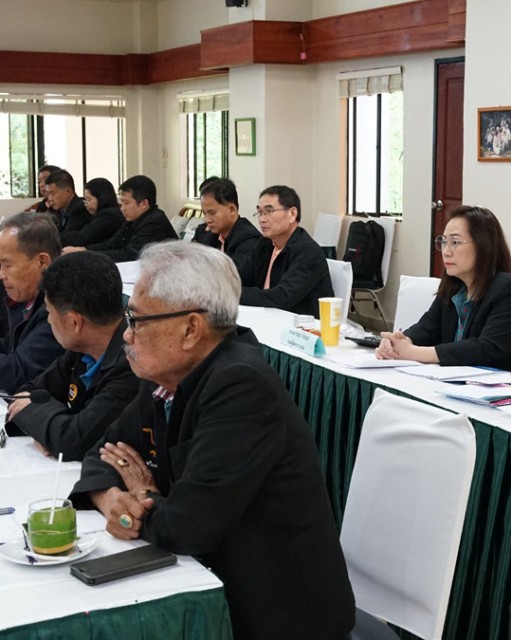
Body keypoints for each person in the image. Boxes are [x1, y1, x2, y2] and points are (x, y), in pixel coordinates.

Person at [69, 242, 355, 640]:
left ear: (190, 329)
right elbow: (100, 452)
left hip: (276, 615)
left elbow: (186, 528)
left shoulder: (241, 386)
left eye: (136, 321)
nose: (127, 336)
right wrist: (112, 499)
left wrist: (144, 493)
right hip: (212, 582)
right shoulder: (166, 374)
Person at [376, 205, 511, 378]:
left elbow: (487, 349)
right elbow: (426, 329)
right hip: (468, 384)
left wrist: (413, 352)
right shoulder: (454, 288)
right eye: (443, 242)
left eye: (455, 242)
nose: (446, 251)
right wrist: (398, 342)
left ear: (483, 245)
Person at [5, 252, 139, 460]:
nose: (49, 320)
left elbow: (73, 441)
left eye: (50, 313)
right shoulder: (80, 350)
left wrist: (55, 433)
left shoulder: (133, 365)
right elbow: (25, 393)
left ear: (75, 322)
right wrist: (55, 430)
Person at [239, 185, 333, 317]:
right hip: (267, 317)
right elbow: (239, 279)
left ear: (292, 214)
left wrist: (231, 294)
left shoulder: (308, 251)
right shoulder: (265, 244)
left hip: (300, 325)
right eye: (260, 213)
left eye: (269, 211)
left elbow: (282, 297)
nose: (262, 219)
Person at [0, 213, 64, 392]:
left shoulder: (60, 305)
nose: (1, 275)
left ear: (42, 261)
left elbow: (18, 372)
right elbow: (8, 346)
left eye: (7, 265)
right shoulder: (27, 295)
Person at [63, 175, 178, 262]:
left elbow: (130, 255)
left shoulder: (155, 221)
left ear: (144, 203)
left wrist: (86, 254)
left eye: (126, 203)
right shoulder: (133, 219)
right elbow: (112, 244)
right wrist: (83, 250)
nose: (122, 208)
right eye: (121, 203)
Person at [193, 178, 260, 273]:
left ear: (232, 209)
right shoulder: (210, 235)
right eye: (204, 213)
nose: (207, 219)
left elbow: (232, 276)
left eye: (212, 213)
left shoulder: (249, 240)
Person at [60, 178, 124, 247]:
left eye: (89, 199)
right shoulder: (104, 214)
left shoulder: (109, 216)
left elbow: (83, 237)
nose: (86, 204)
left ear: (101, 198)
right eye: (85, 200)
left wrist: (55, 238)